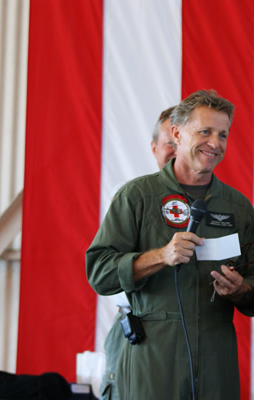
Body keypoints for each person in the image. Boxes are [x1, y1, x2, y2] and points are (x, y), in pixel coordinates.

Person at [86, 90, 254, 399]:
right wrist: (160, 256)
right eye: (205, 131)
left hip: (216, 357)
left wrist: (241, 289)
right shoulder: (136, 196)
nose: (215, 143)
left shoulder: (236, 206)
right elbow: (99, 272)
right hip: (154, 355)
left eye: (222, 135)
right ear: (176, 134)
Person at [99, 104, 177, 400]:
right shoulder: (130, 197)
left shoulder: (220, 204)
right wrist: (163, 255)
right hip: (137, 329)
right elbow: (105, 270)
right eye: (170, 142)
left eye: (184, 142)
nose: (177, 151)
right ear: (154, 148)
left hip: (191, 335)